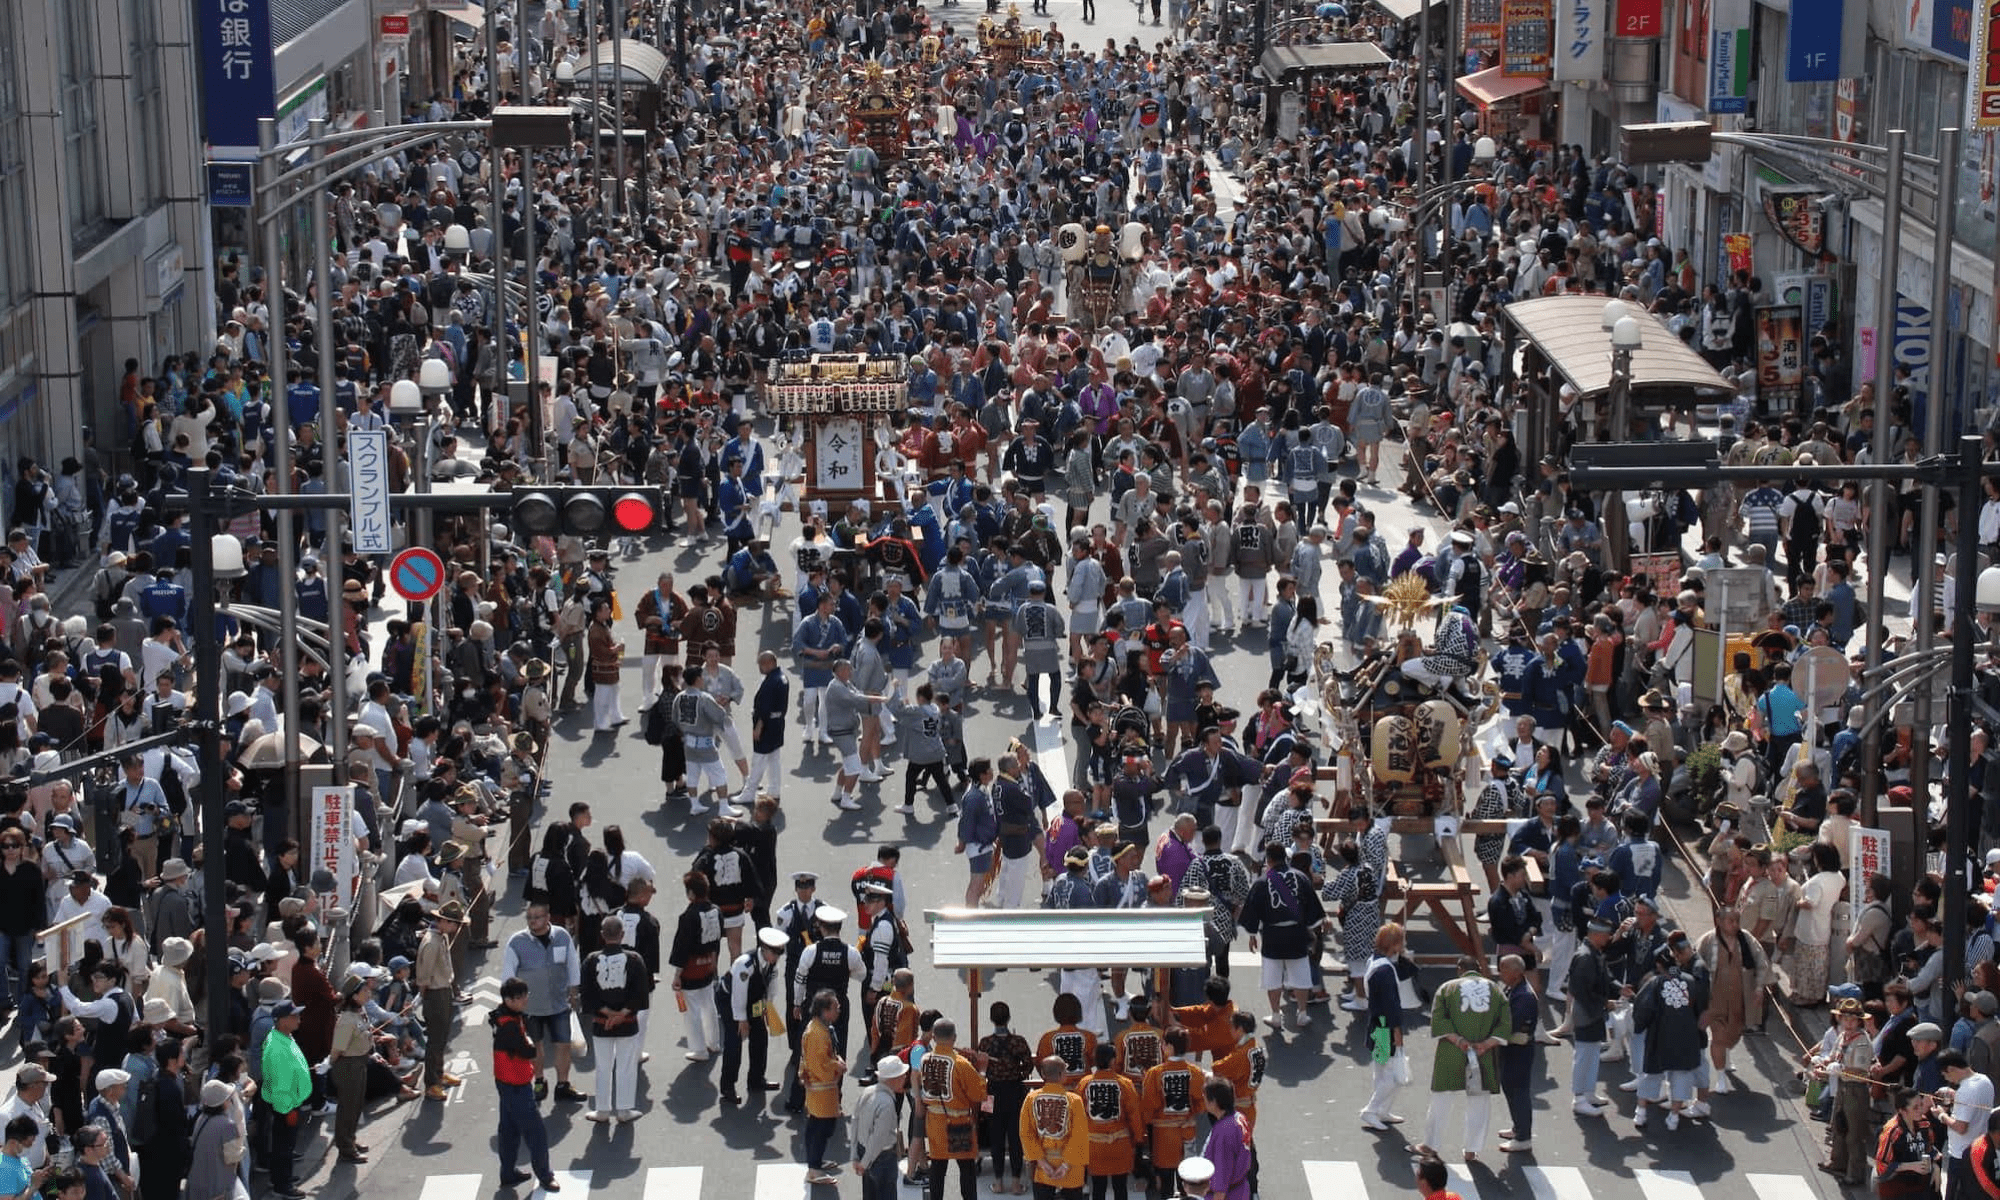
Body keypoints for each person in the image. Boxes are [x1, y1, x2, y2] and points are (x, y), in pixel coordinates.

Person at [1416, 957, 1508, 1163]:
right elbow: (1505, 1023)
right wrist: (1486, 1044)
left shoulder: (1447, 988)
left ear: (1460, 969)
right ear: (1479, 969)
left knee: (1442, 1098)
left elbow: (1439, 1020)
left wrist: (1458, 1040)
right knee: (1479, 1101)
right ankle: (1471, 1149)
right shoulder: (1496, 990)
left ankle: (1430, 1144)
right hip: (1484, 1053)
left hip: (1452, 1051)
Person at [502, 902, 584, 1103]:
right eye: (529, 917)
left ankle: (563, 1084)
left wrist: (574, 992)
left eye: (537, 917)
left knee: (563, 1045)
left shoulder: (562, 936)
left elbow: (572, 963)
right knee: (535, 1047)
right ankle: (539, 1081)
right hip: (531, 1007)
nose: (532, 921)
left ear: (547, 918)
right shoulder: (517, 942)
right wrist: (509, 1007)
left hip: (559, 1003)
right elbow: (508, 976)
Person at [581, 914, 651, 1122]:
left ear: (602, 935)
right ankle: (624, 1110)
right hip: (627, 1023)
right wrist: (622, 1014)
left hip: (602, 1023)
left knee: (603, 1065)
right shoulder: (635, 959)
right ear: (622, 935)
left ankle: (602, 1110)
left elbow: (588, 993)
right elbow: (641, 993)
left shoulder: (591, 960)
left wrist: (608, 1013)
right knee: (626, 1065)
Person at [492, 976, 557, 1191]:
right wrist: (529, 1040)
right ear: (509, 1000)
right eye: (520, 997)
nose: (525, 1000)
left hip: (506, 1079)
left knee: (509, 1130)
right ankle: (545, 1176)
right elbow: (529, 1052)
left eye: (525, 995)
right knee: (535, 1132)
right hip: (516, 1083)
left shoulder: (502, 1016)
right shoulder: (509, 1025)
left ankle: (508, 1173)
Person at [917, 1017, 988, 1200]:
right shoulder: (961, 1064)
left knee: (938, 1168)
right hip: (959, 1122)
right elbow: (979, 1095)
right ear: (954, 1037)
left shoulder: (925, 1059)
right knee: (966, 1168)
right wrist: (982, 1071)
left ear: (933, 1037)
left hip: (934, 1121)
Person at [717, 927, 788, 1104]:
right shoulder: (745, 964)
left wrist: (767, 1007)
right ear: (764, 949)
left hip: (753, 1001)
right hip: (731, 1001)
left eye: (780, 952)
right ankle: (728, 1087)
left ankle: (756, 1080)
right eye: (775, 952)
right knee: (734, 1043)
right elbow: (738, 995)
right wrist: (741, 1019)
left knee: (760, 1037)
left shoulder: (771, 964)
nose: (777, 957)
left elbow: (772, 985)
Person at [259, 1000, 312, 1200]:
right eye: (294, 1016)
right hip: (286, 1105)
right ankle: (283, 1184)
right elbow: (281, 1083)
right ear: (281, 1021)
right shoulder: (278, 1047)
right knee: (284, 1146)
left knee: (284, 1145)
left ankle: (281, 1177)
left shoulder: (283, 1037)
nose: (298, 1019)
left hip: (289, 1101)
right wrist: (287, 1110)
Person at [1021, 1054, 1090, 1199]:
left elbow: (1025, 1133)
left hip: (1043, 1166)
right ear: (1062, 1075)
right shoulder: (1074, 1100)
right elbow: (1079, 1134)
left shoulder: (1031, 1098)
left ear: (1043, 1074)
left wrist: (1041, 1161)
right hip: (1071, 1166)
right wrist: (1065, 1165)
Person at [418, 899, 466, 1101]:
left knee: (442, 1037)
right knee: (435, 1041)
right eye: (454, 923)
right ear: (444, 922)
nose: (456, 928)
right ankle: (431, 1084)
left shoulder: (441, 937)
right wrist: (425, 996)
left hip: (444, 990)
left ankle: (439, 1074)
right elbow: (424, 976)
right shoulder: (431, 942)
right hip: (435, 993)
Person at [799, 990, 848, 1186]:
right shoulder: (817, 1034)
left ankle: (816, 1162)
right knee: (822, 1128)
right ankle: (814, 1169)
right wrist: (838, 1066)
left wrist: (836, 1061)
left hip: (822, 1089)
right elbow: (821, 1065)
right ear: (825, 1011)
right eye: (835, 1007)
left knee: (816, 1127)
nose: (838, 1010)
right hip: (822, 1089)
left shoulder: (819, 1028)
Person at [1494, 954, 1540, 1153]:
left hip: (1519, 1051)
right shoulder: (1513, 989)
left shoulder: (1524, 997)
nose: (1500, 972)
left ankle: (1523, 1137)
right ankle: (1518, 1127)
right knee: (1510, 1088)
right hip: (1510, 1050)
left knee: (1518, 1092)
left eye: (1503, 969)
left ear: (1517, 972)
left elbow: (1511, 1024)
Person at [852, 1055, 910, 1200]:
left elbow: (855, 1121)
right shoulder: (887, 1104)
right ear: (894, 1079)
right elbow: (878, 1138)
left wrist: (855, 1156)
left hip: (863, 1150)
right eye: (902, 1075)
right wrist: (865, 1163)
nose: (905, 1077)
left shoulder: (868, 1091)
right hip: (881, 1157)